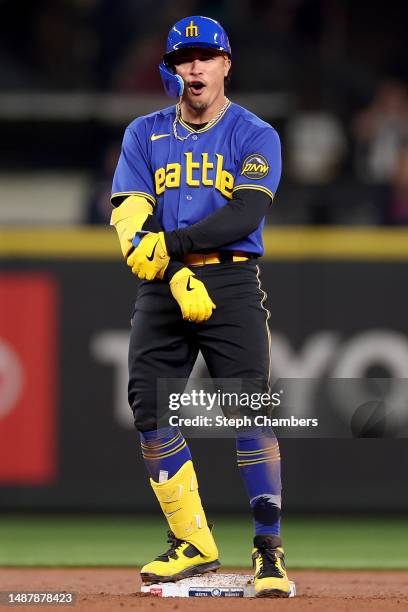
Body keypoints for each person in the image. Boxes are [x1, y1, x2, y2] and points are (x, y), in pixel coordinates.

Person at [110, 15, 291, 598]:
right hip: (163, 285)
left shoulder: (255, 132)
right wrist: (165, 263)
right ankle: (193, 542)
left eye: (205, 57)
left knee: (250, 411)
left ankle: (269, 553)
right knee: (148, 409)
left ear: (225, 64)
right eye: (183, 58)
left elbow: (244, 215)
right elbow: (131, 212)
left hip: (232, 284)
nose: (194, 67)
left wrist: (177, 250)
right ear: (171, 68)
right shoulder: (144, 132)